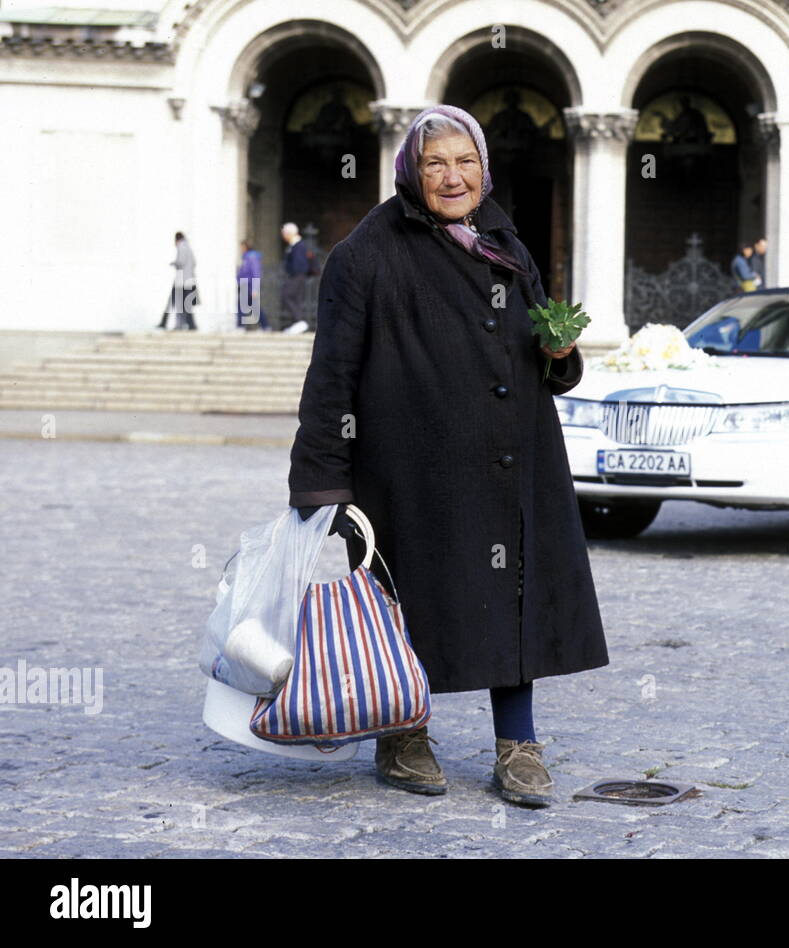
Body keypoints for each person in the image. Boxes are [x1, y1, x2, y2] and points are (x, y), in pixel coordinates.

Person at [287, 104, 608, 807]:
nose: (453, 176)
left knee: (514, 593)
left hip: (512, 455)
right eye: (436, 163)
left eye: (466, 162)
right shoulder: (366, 253)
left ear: (484, 169)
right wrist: (323, 484)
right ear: (410, 170)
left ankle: (517, 745)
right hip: (408, 467)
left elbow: (539, 349)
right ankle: (403, 735)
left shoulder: (504, 242)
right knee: (410, 601)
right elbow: (331, 376)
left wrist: (560, 353)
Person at [158, 231, 198, 330]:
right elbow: (194, 262)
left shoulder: (181, 246)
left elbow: (181, 261)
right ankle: (191, 325)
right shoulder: (188, 247)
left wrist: (174, 263)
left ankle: (164, 322)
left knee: (172, 301)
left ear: (177, 239)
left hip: (181, 280)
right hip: (188, 279)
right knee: (186, 304)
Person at [280, 223, 312, 332]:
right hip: (297, 275)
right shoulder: (294, 245)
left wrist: (293, 273)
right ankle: (297, 322)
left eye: (284, 233)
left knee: (287, 295)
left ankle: (299, 321)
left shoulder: (298, 245)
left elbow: (299, 263)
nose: (283, 235)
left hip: (297, 275)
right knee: (296, 298)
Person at [235, 240, 266, 331]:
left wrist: (255, 289)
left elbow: (256, 273)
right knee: (251, 306)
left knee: (243, 307)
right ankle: (265, 325)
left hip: (248, 285)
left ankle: (240, 326)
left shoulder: (251, 257)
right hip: (244, 284)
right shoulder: (246, 257)